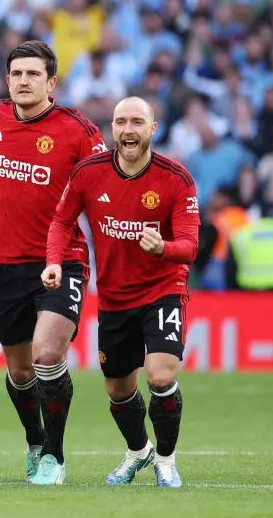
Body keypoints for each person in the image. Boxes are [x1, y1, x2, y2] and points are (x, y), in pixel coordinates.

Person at [0, 40, 106, 485]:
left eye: (33, 74)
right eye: (17, 74)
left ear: (52, 82)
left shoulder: (78, 130)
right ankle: (34, 438)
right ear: (8, 81)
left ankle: (55, 455)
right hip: (5, 260)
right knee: (20, 369)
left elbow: (104, 186)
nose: (24, 81)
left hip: (61, 259)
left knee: (48, 354)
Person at [43, 96, 199, 488]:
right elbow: (61, 221)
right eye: (120, 122)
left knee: (160, 375)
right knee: (118, 389)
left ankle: (165, 460)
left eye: (137, 122)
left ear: (152, 129)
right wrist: (54, 260)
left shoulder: (175, 178)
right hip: (113, 297)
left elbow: (190, 246)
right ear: (112, 128)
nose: (128, 129)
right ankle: (138, 451)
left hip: (163, 289)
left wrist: (163, 248)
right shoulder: (89, 172)